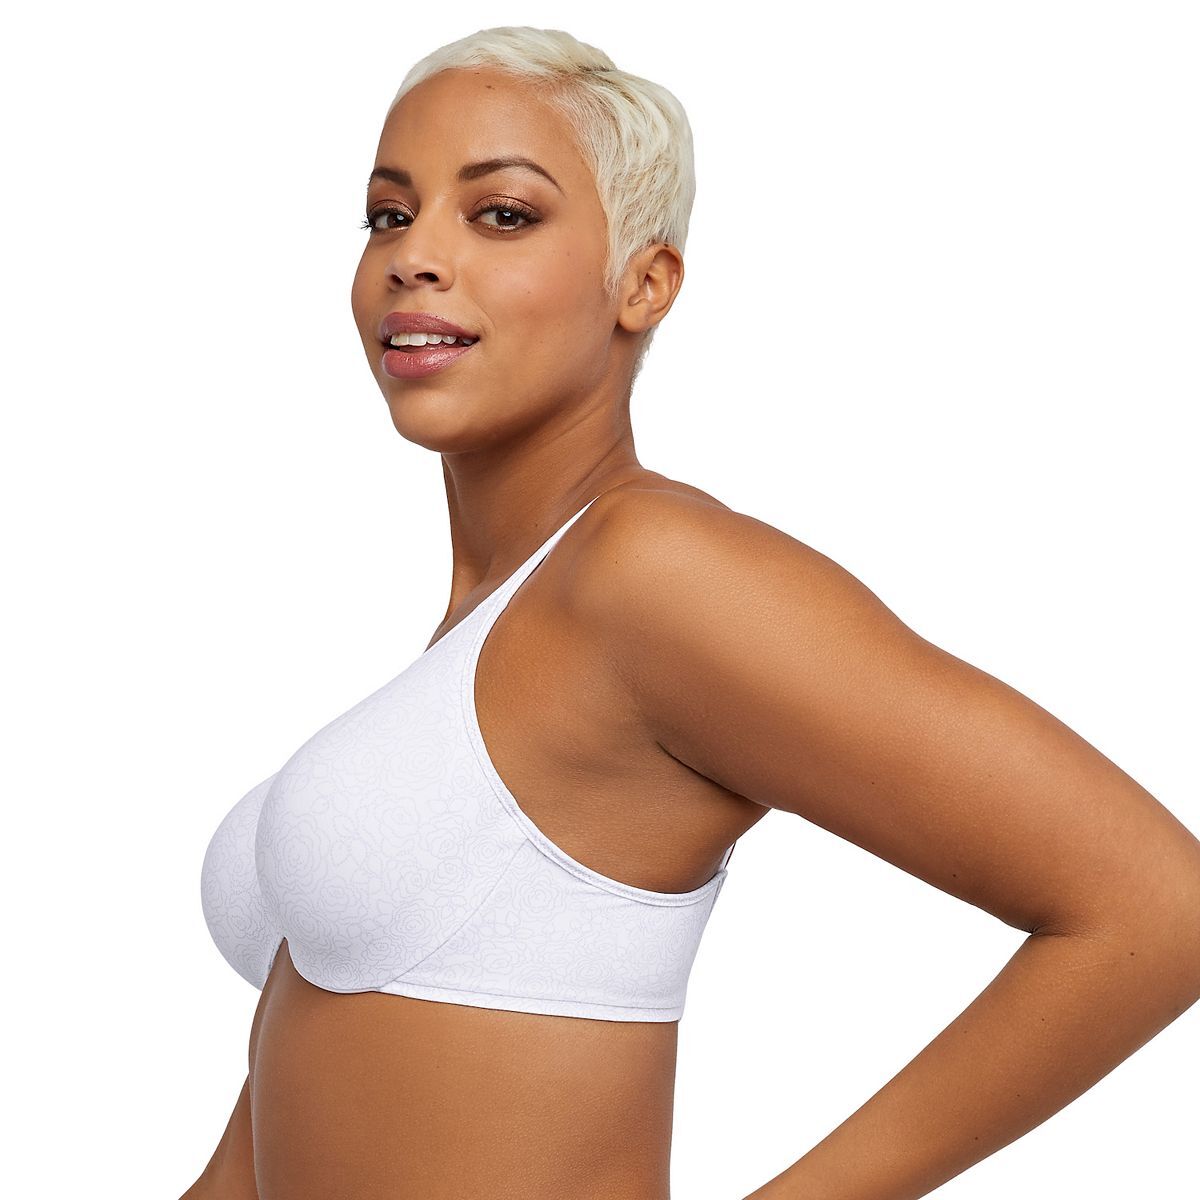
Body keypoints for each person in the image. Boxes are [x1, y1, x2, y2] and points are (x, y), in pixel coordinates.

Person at [185, 25, 1200, 1200]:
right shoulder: (485, 626)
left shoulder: (651, 574)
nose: (416, 256)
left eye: (502, 213)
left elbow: (1155, 908)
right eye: (388, 214)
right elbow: (283, 1115)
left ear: (644, 283)